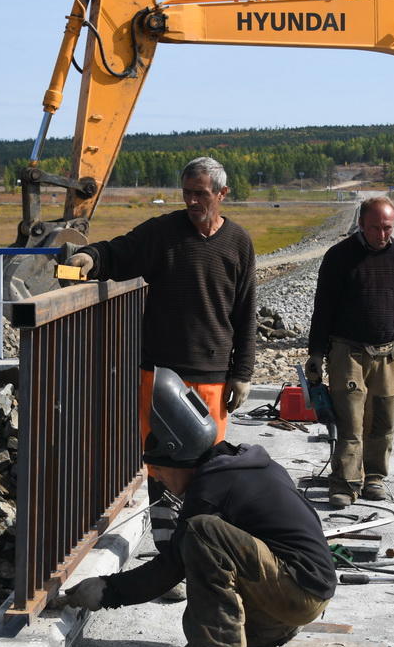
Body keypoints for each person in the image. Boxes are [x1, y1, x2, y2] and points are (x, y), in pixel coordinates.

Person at [56, 368, 336, 647]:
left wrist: (107, 591)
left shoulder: (210, 488)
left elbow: (170, 568)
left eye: (159, 469)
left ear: (179, 457)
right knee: (214, 547)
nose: (157, 478)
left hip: (298, 590)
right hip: (310, 586)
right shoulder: (240, 465)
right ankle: (265, 630)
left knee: (201, 533)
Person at [61, 156, 256, 597]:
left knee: (208, 472)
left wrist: (241, 373)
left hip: (212, 377)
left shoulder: (239, 242)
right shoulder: (162, 233)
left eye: (200, 193)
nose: (191, 200)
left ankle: (204, 555)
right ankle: (170, 563)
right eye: (187, 191)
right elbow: (117, 251)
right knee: (164, 472)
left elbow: (245, 313)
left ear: (221, 194)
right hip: (160, 373)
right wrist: (90, 258)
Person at [306, 197, 394, 508]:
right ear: (361, 224)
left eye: (387, 227)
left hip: (388, 353)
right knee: (351, 421)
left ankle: (374, 477)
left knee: (383, 420)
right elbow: (323, 309)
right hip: (348, 352)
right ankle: (345, 484)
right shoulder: (339, 257)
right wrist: (316, 354)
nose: (381, 234)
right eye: (375, 227)